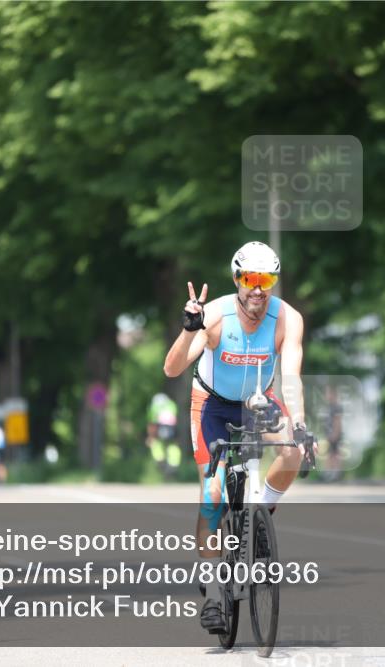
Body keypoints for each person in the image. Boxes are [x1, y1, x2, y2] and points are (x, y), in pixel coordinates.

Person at [162, 241, 314, 634]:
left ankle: (258, 513)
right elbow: (172, 369)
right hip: (212, 405)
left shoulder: (287, 319)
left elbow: (292, 377)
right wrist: (187, 330)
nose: (258, 289)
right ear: (237, 279)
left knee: (294, 451)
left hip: (258, 403)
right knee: (213, 494)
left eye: (266, 280)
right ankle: (213, 591)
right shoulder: (215, 316)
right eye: (250, 279)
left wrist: (298, 422)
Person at [146, 392, 181, 477]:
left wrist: (150, 437)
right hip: (172, 428)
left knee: (155, 443)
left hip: (159, 427)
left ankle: (160, 460)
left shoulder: (154, 406)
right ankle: (173, 464)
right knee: (173, 445)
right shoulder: (172, 405)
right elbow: (176, 420)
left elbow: (152, 424)